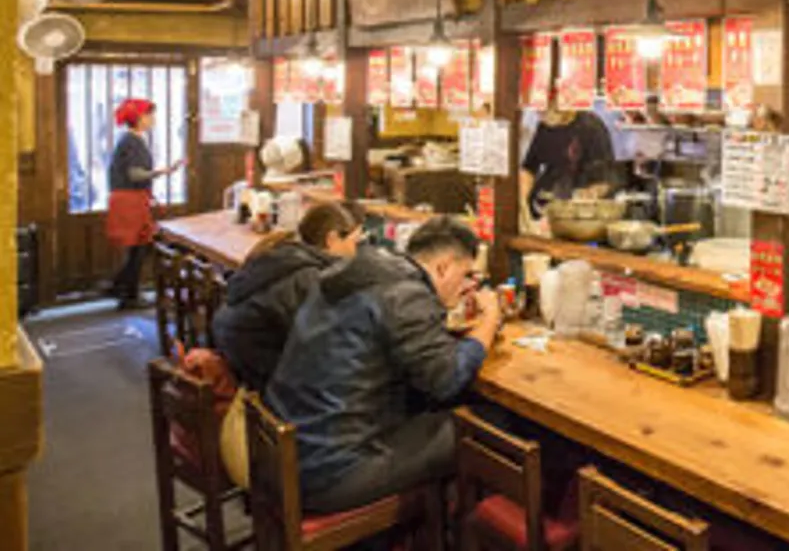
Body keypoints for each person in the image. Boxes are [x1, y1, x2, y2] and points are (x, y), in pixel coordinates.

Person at [266, 217, 502, 514]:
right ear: (443, 267)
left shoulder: (356, 272)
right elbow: (447, 378)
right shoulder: (406, 294)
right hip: (335, 471)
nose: (469, 286)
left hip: (290, 451)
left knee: (434, 408)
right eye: (467, 274)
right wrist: (489, 323)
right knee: (490, 426)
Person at [212, 203, 364, 392]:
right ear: (332, 239)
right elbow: (320, 346)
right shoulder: (309, 277)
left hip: (234, 351)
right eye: (354, 242)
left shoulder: (284, 253)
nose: (356, 252)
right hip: (255, 373)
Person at [106, 98, 184, 309]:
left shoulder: (132, 139)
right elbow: (134, 174)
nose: (152, 119)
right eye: (149, 115)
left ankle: (119, 286)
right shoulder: (132, 141)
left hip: (128, 198)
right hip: (129, 199)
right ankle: (128, 294)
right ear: (138, 119)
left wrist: (164, 171)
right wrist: (163, 171)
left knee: (139, 248)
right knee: (139, 248)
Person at [517, 75, 619, 228]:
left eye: (544, 109)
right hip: (543, 212)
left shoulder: (591, 126)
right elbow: (529, 168)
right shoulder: (544, 127)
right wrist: (522, 203)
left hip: (576, 219)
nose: (540, 114)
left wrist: (584, 197)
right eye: (539, 110)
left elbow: (605, 180)